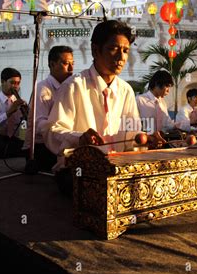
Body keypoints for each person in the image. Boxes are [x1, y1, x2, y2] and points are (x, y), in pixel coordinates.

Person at [44, 20, 164, 174]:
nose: (121, 57)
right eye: (114, 49)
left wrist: (146, 140)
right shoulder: (74, 86)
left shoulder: (126, 90)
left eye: (126, 51)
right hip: (78, 171)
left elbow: (131, 137)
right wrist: (80, 138)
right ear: (95, 50)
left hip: (115, 169)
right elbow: (51, 132)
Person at [23, 46, 74, 171]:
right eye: (66, 64)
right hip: (40, 147)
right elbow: (40, 125)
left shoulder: (69, 88)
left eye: (73, 64)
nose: (71, 69)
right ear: (52, 64)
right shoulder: (42, 89)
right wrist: (67, 136)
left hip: (61, 142)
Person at [0, 68, 27, 158]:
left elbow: (23, 124)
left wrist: (27, 113)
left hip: (13, 139)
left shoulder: (18, 102)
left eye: (18, 83)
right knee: (0, 150)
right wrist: (9, 112)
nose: (15, 86)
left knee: (29, 149)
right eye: (12, 82)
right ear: (3, 81)